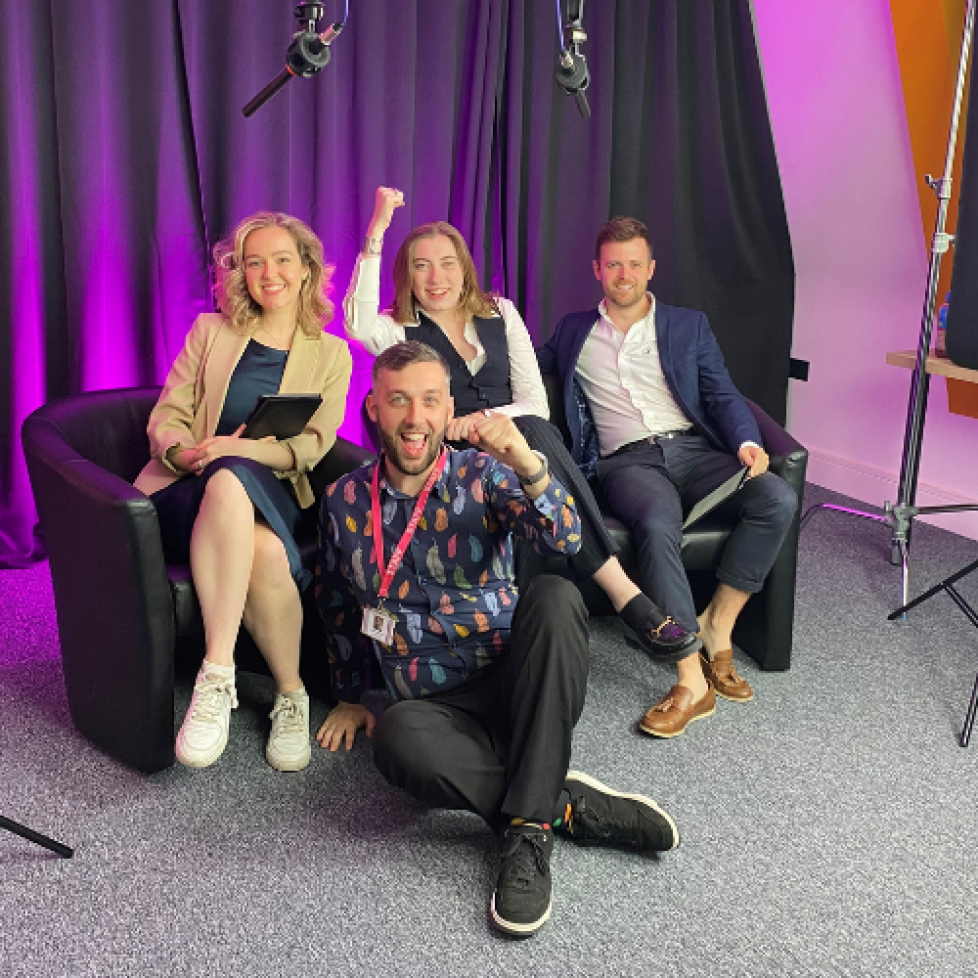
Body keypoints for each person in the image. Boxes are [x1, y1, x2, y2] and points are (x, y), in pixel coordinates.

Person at [316, 341, 680, 938]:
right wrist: (351, 694)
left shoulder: (483, 475)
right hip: (432, 706)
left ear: (448, 406)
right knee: (396, 742)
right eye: (399, 400)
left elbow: (566, 542)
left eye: (430, 400)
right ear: (374, 408)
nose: (416, 417)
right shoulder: (343, 502)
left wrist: (529, 464)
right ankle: (556, 804)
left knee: (558, 596)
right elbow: (336, 603)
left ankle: (525, 838)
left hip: (521, 679)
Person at [342, 185, 699, 663]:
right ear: (406, 274)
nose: (435, 277)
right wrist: (377, 231)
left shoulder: (500, 312)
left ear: (463, 267)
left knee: (531, 436)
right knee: (531, 443)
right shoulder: (395, 328)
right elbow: (355, 323)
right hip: (449, 457)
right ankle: (625, 596)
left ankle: (546, 624)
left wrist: (486, 423)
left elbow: (533, 400)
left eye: (447, 263)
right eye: (421, 265)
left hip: (516, 443)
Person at [537, 216, 798, 738]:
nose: (624, 273)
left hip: (694, 450)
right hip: (626, 462)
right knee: (657, 524)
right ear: (597, 270)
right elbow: (522, 370)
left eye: (635, 263)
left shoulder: (687, 325)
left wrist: (747, 443)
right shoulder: (572, 331)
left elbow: (722, 393)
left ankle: (716, 624)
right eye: (614, 264)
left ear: (651, 269)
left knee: (776, 498)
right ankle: (689, 675)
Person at [134, 212, 353, 770]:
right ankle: (232, 676)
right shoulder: (211, 332)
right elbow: (168, 417)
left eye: (282, 260)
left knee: (252, 523)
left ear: (307, 270)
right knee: (235, 498)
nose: (268, 272)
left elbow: (312, 445)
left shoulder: (331, 353)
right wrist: (188, 452)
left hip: (271, 487)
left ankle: (278, 693)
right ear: (241, 273)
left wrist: (245, 451)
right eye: (254, 262)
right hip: (186, 488)